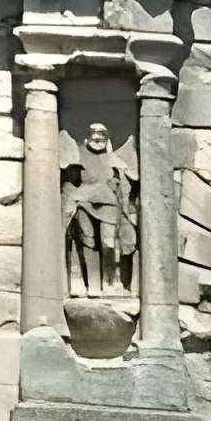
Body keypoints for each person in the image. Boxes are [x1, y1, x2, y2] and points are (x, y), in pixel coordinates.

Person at [62, 122, 138, 297]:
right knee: (88, 242)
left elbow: (130, 178)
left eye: (102, 138)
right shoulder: (78, 152)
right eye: (95, 138)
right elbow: (69, 182)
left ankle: (110, 282)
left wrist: (121, 165)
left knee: (108, 243)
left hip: (109, 204)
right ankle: (93, 285)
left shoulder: (113, 156)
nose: (98, 141)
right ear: (88, 137)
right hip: (84, 203)